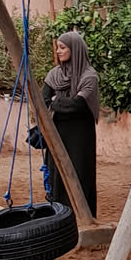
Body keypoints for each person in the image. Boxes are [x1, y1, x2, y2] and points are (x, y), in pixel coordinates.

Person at [40, 30, 99, 217]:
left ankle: (82, 217)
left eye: (62, 47)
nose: (58, 51)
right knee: (56, 173)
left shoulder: (89, 76)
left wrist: (57, 102)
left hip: (80, 136)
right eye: (58, 47)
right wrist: (62, 103)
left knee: (80, 173)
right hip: (57, 131)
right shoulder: (54, 75)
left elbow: (78, 105)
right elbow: (43, 100)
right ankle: (58, 216)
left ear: (75, 49)